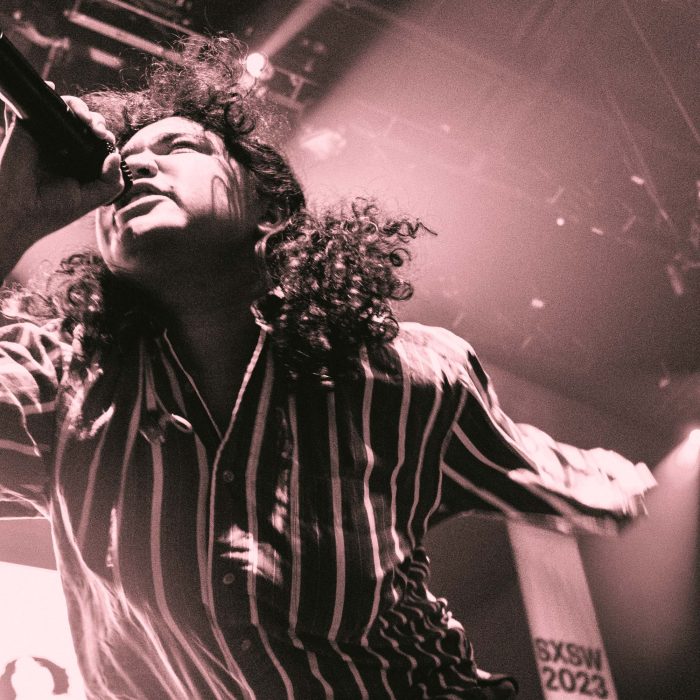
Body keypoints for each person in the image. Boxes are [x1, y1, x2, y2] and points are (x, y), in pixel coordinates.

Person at [0, 36, 655, 700]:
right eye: (124, 161)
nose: (136, 166)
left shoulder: (402, 374)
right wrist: (10, 214)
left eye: (179, 147)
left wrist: (622, 483)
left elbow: (546, 470)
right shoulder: (62, 380)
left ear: (267, 207)